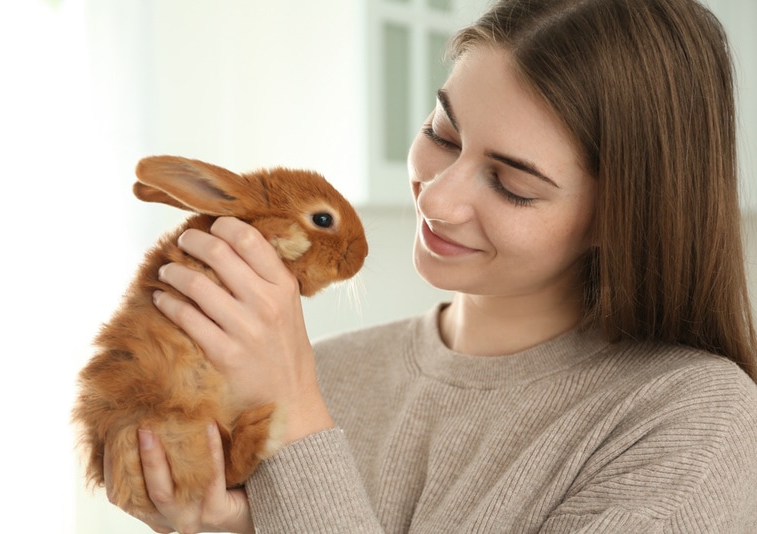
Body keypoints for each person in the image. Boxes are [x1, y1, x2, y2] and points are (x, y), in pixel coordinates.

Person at [104, 0, 757, 531]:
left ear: (621, 215)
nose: (437, 197)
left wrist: (294, 411)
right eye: (443, 135)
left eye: (510, 183)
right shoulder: (329, 371)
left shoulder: (693, 421)